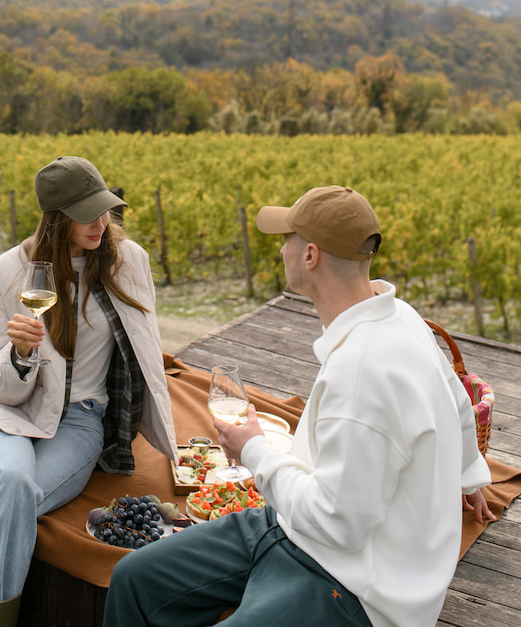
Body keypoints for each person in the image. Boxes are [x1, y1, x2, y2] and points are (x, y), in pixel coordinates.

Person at [104, 185, 494, 627]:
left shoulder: (361, 371)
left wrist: (253, 449)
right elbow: (458, 401)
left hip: (352, 582)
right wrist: (468, 476)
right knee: (133, 578)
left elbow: (339, 527)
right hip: (288, 523)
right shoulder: (399, 314)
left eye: (286, 239)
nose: (281, 249)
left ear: (310, 255)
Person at [0, 156, 178, 627]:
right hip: (5, 416)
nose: (101, 223)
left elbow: (145, 352)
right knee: (10, 481)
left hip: (80, 420)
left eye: (104, 209)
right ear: (56, 217)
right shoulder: (9, 271)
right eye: (86, 214)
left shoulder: (128, 261)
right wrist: (19, 355)